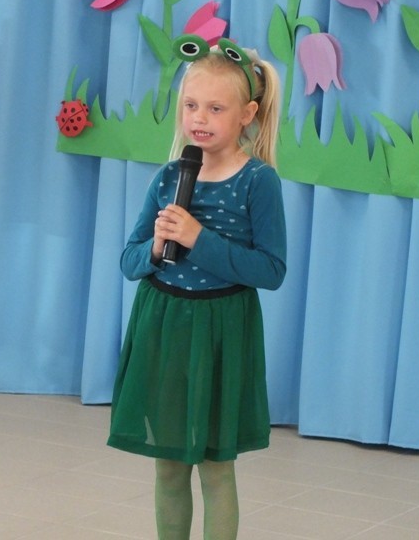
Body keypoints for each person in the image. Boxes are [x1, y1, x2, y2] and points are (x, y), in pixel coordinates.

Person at [107, 35, 287, 539]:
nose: (198, 118)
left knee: (214, 468)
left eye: (215, 108)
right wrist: (156, 247)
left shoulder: (258, 181)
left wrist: (198, 239)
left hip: (220, 331)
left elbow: (271, 270)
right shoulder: (170, 176)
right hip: (163, 325)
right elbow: (129, 260)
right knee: (167, 466)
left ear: (247, 114)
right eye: (190, 105)